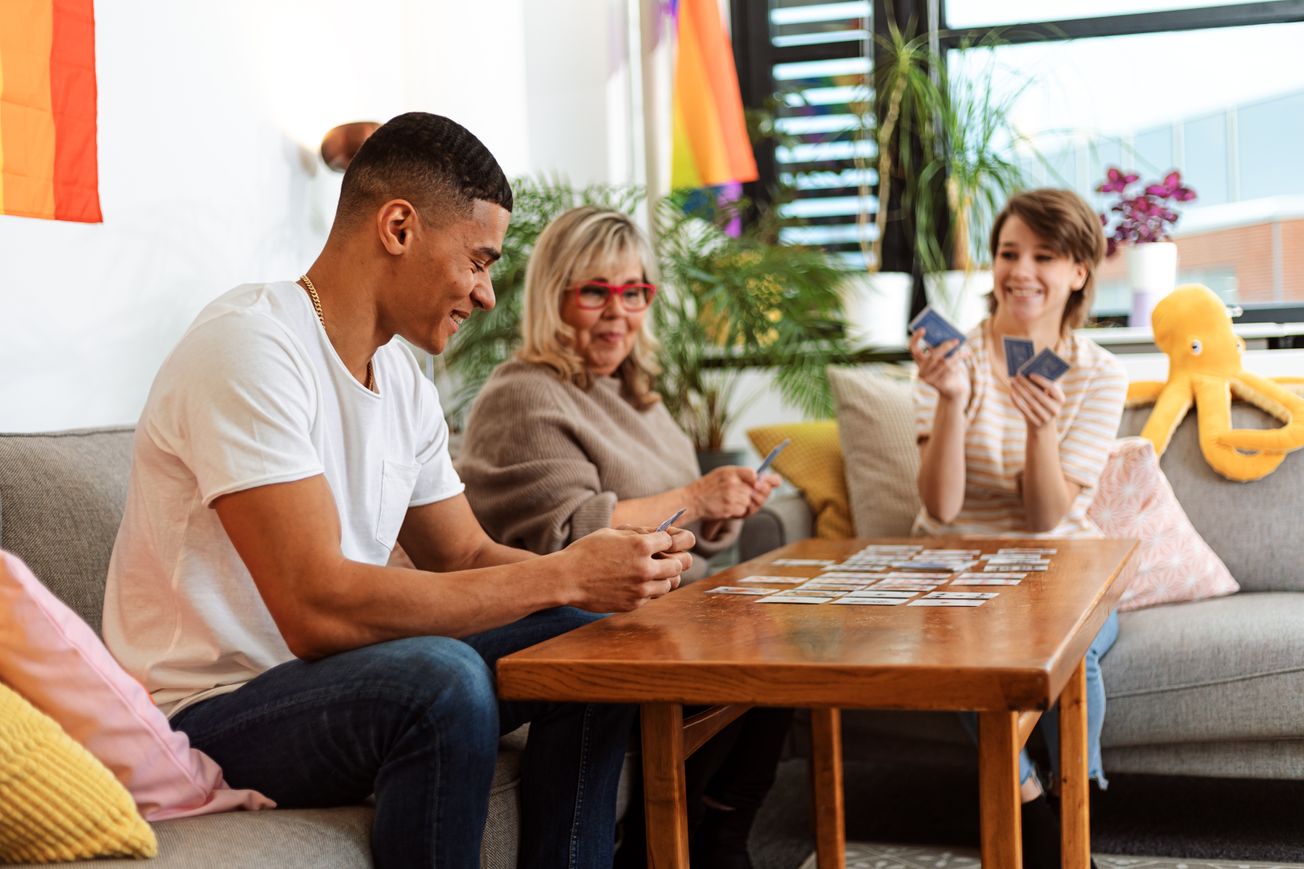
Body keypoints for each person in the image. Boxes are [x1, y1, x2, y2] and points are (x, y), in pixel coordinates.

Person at [102, 113, 695, 869]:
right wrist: (562, 570)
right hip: (207, 713)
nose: (485, 295)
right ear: (399, 227)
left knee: (589, 636)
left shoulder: (405, 386)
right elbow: (315, 607)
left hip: (330, 683)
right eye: (478, 261)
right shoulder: (249, 346)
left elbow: (462, 552)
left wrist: (610, 576)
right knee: (439, 681)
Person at [457, 206, 789, 869]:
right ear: (555, 295)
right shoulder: (523, 393)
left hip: (656, 614)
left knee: (779, 649)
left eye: (634, 291)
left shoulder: (636, 392)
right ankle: (672, 846)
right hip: (574, 626)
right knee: (756, 653)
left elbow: (679, 532)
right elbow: (572, 538)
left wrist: (723, 508)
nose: (619, 312)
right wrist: (695, 497)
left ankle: (716, 835)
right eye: (595, 291)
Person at [909, 188, 1127, 868]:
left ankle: (1071, 801)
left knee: (1073, 649)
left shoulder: (1098, 373)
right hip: (958, 563)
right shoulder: (952, 358)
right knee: (968, 649)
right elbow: (941, 509)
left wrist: (1042, 428)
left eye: (1045, 255)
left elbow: (1044, 518)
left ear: (1079, 272)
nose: (1021, 271)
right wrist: (950, 402)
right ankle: (1036, 809)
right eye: (1008, 253)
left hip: (1060, 563)